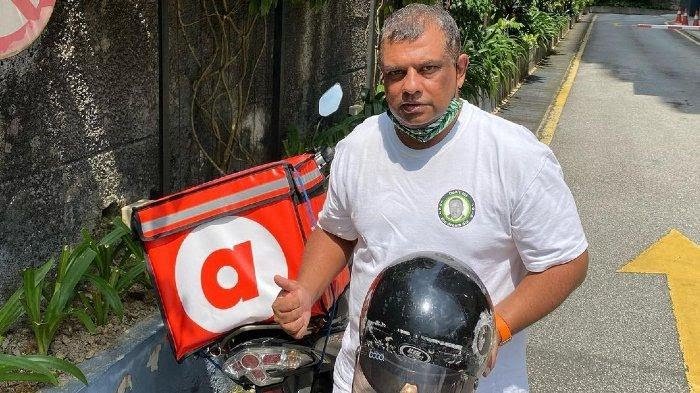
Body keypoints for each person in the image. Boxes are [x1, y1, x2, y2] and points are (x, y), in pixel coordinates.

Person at [271, 4, 588, 393]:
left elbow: (566, 262)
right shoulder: (359, 147)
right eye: (395, 73)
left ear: (460, 70)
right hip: (365, 379)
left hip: (477, 384)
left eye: (428, 69)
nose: (410, 86)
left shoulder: (515, 156)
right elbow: (337, 231)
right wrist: (306, 290)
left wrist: (496, 328)